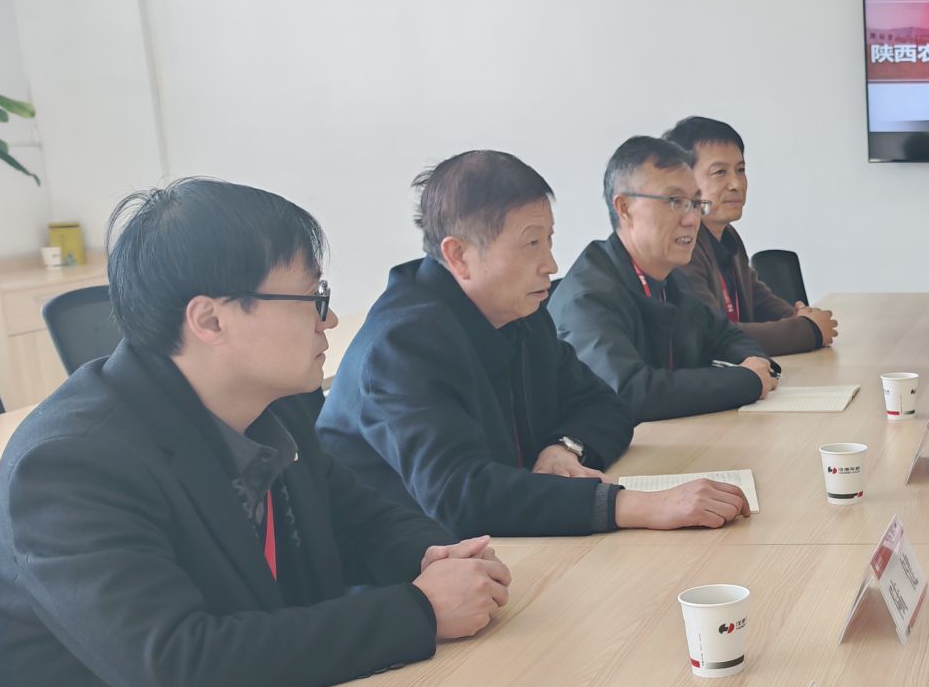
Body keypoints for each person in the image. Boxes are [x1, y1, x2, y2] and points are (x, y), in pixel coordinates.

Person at [0, 179, 510, 687]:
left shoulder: (272, 406)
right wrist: (420, 611)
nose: (328, 320)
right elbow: (181, 667)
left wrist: (435, 557)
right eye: (312, 298)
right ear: (210, 320)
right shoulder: (72, 464)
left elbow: (358, 520)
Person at [320, 151, 749, 536]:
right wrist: (633, 506)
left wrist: (564, 448)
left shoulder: (521, 314)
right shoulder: (402, 345)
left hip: (511, 548)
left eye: (549, 240)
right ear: (459, 256)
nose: (551, 263)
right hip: (411, 574)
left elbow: (607, 405)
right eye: (530, 243)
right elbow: (462, 494)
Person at [549, 135, 780, 421]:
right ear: (624, 208)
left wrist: (754, 363)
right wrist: (745, 381)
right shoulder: (588, 298)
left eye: (695, 203)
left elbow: (725, 335)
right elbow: (629, 392)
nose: (691, 219)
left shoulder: (670, 279)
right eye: (674, 201)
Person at [665, 115, 839, 355]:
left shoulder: (727, 235)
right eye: (720, 172)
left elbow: (759, 300)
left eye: (740, 170)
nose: (736, 183)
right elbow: (713, 335)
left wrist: (799, 316)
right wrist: (808, 330)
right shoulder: (680, 245)